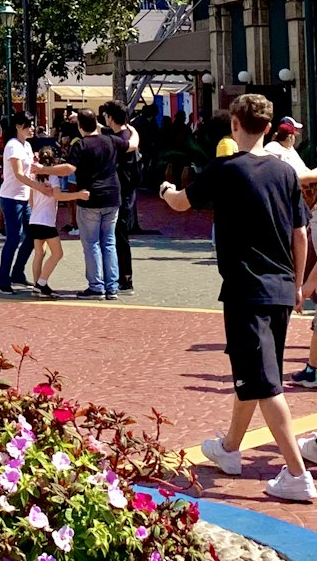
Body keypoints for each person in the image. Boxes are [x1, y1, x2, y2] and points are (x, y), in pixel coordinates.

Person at [160, 92, 316, 503]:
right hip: (282, 287)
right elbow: (300, 234)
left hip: (247, 290)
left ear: (234, 124)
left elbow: (180, 204)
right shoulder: (285, 174)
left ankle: (297, 476)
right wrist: (298, 285)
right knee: (256, 372)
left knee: (265, 383)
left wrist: (164, 189)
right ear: (268, 128)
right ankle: (229, 449)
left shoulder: (224, 169)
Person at [46, 108, 136, 301]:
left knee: (92, 244)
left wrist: (44, 169)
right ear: (97, 123)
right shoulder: (111, 140)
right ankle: (112, 286)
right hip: (113, 197)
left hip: (90, 199)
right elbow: (132, 145)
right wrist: (133, 130)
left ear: (80, 127)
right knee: (109, 242)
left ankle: (96, 286)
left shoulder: (81, 145)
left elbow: (69, 168)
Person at [19, 144, 90, 296]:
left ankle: (37, 286)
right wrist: (78, 195)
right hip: (46, 221)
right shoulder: (53, 177)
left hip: (35, 219)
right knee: (57, 254)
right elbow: (58, 196)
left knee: (39, 253)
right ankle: (42, 283)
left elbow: (31, 201)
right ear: (53, 162)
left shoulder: (34, 177)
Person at [101, 101, 141, 293]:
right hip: (127, 191)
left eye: (106, 115)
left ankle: (125, 278)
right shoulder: (124, 134)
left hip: (121, 193)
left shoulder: (118, 140)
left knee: (119, 235)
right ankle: (122, 277)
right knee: (118, 235)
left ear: (110, 117)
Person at [0, 114, 36, 293]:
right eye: (29, 125)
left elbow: (30, 171)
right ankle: (3, 281)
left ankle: (18, 272)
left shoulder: (26, 145)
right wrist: (38, 187)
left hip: (24, 197)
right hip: (11, 198)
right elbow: (19, 174)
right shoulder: (13, 146)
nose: (32, 128)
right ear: (19, 126)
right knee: (14, 238)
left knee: (33, 235)